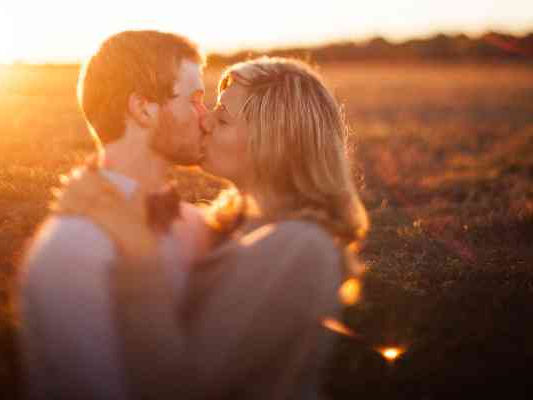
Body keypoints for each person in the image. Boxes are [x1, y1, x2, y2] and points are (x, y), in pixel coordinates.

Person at [54, 57, 370, 399]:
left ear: (273, 140)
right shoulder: (225, 224)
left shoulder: (302, 247)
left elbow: (185, 385)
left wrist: (137, 250)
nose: (204, 123)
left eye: (222, 118)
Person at [19, 30, 212, 399]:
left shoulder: (192, 223)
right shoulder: (73, 250)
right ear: (143, 109)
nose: (206, 119)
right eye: (196, 100)